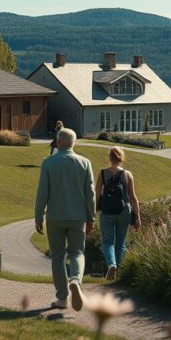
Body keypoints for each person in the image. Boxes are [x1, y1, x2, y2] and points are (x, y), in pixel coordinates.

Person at [34, 127, 95, 310]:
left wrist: (38, 216)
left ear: (58, 142)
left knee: (58, 257)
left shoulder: (48, 163)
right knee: (77, 253)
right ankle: (75, 279)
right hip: (77, 217)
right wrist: (91, 217)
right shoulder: (85, 163)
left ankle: (62, 297)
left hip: (55, 217)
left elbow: (42, 192)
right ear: (74, 143)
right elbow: (90, 193)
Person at [96, 146, 141, 280]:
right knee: (121, 242)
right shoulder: (127, 174)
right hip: (124, 211)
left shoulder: (103, 173)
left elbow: (97, 194)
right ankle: (117, 273)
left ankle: (111, 264)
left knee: (107, 241)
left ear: (109, 157)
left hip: (107, 211)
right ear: (121, 157)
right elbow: (133, 198)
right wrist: (138, 216)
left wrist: (91, 213)